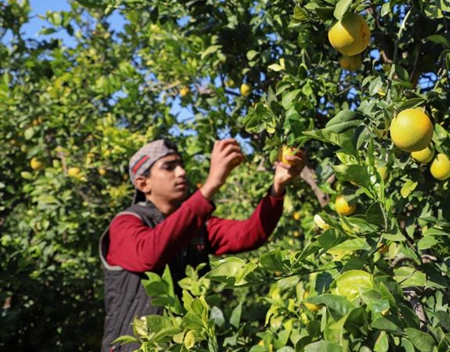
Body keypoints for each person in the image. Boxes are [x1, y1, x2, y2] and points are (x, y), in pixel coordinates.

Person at [99, 138, 304, 352]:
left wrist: (277, 188)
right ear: (143, 183)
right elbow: (150, 253)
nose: (181, 172)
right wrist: (211, 184)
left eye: (180, 165)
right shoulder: (126, 223)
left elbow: (250, 234)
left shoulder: (195, 225)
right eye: (169, 167)